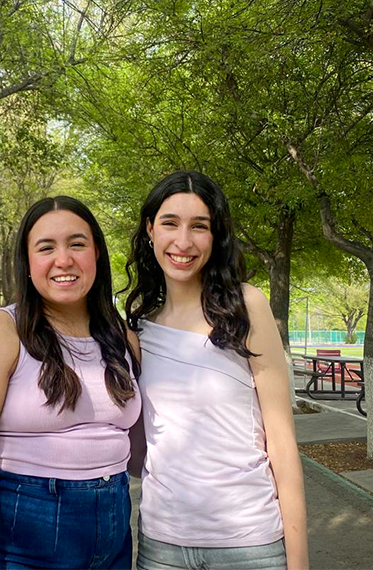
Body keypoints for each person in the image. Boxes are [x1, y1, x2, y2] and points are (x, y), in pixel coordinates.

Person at [0, 195, 141, 570]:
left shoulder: (122, 337)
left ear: (96, 252)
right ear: (28, 264)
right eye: (46, 248)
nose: (64, 260)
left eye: (77, 244)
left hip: (113, 532)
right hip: (23, 533)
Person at [124, 171, 309, 570]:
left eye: (200, 227)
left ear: (217, 235)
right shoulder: (138, 330)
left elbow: (282, 442)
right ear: (150, 229)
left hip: (250, 545)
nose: (183, 241)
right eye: (170, 223)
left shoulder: (247, 306)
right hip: (161, 547)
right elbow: (138, 451)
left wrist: (298, 562)